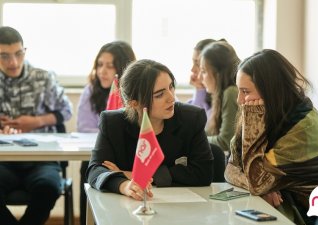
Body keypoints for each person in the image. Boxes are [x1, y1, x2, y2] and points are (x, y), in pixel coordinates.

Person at [224, 49, 318, 224]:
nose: (239, 100)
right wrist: (263, 187)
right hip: (289, 201)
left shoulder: (303, 126)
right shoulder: (269, 114)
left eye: (245, 91)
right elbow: (230, 168)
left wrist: (260, 185)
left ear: (270, 91)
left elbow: (256, 182)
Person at [86, 59, 213, 199]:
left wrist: (134, 174)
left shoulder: (191, 118)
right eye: (159, 95)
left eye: (171, 87)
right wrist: (124, 185)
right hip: (130, 205)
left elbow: (204, 172)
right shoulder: (113, 123)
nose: (171, 98)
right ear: (134, 103)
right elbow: (95, 171)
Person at [0, 26, 72, 225]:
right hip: (3, 160)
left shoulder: (43, 78)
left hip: (42, 159)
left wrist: (36, 122)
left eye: (18, 54)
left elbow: (66, 111)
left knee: (48, 187)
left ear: (25, 51)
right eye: (4, 56)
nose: (13, 62)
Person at [77, 41, 135, 225]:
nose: (103, 71)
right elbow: (84, 129)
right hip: (100, 151)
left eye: (110, 66)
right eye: (100, 65)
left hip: (128, 153)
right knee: (88, 166)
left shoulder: (134, 93)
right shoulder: (90, 91)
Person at [199, 40, 240, 152]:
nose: (200, 77)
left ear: (218, 73)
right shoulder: (221, 94)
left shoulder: (231, 93)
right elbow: (212, 133)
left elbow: (225, 141)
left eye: (203, 71)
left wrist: (195, 140)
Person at [188, 38, 215, 118]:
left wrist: (200, 90)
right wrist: (200, 89)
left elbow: (195, 121)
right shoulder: (207, 92)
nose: (192, 69)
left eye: (197, 63)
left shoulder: (226, 95)